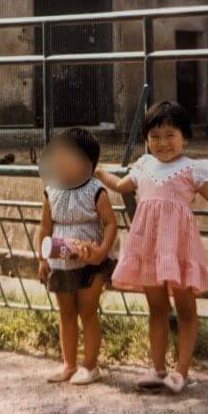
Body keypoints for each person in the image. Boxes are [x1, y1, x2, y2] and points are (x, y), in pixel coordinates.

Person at [95, 101, 208, 393]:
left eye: (170, 135)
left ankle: (181, 372)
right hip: (148, 247)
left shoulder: (192, 168)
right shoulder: (144, 164)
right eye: (155, 137)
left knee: (186, 309)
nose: (162, 143)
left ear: (185, 137)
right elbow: (122, 185)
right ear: (147, 140)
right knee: (156, 308)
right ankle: (157, 369)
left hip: (179, 248)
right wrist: (99, 173)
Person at [37, 128, 118, 385]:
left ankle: (91, 366)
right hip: (60, 262)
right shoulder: (52, 191)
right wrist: (42, 259)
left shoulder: (96, 190)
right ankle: (69, 365)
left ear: (88, 163)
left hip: (90, 263)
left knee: (88, 311)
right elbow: (44, 227)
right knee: (66, 313)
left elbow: (110, 223)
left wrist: (102, 251)